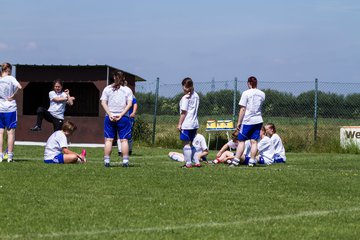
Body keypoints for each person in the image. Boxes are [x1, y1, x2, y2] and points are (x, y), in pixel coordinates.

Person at [229, 76, 265, 167]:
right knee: (254, 141)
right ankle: (252, 161)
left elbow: (243, 109)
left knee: (241, 141)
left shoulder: (246, 93)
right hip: (258, 120)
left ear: (248, 83)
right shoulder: (262, 94)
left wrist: (238, 122)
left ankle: (236, 160)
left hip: (248, 120)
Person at [101, 71, 133, 167]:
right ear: (123, 78)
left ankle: (107, 161)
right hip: (123, 118)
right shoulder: (127, 90)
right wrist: (121, 114)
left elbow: (103, 102)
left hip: (109, 117)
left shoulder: (107, 89)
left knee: (109, 140)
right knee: (124, 140)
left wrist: (110, 114)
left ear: (114, 77)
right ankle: (125, 161)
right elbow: (129, 104)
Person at [0, 63, 22, 162]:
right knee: (10, 133)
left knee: (0, 132)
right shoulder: (11, 78)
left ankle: (0, 155)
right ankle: (10, 156)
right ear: (8, 69)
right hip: (10, 108)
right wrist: (13, 95)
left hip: (0, 107)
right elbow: (20, 87)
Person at [177, 77, 200, 168]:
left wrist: (179, 124)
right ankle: (197, 162)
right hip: (194, 123)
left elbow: (183, 112)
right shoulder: (196, 95)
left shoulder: (185, 98)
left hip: (187, 124)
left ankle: (188, 164)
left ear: (184, 86)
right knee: (191, 144)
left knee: (186, 144)